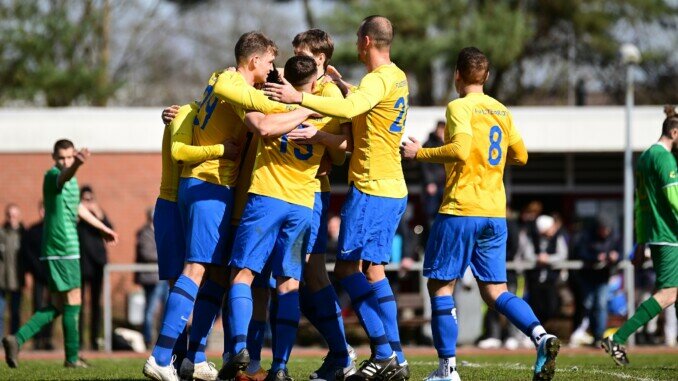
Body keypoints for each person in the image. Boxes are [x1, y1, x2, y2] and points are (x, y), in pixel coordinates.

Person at [145, 31, 312, 381]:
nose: (272, 69)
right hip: (209, 184)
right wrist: (303, 103)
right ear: (253, 61)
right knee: (195, 270)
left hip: (209, 187)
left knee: (212, 272)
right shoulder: (232, 84)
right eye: (269, 62)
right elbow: (263, 118)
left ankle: (194, 357)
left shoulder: (223, 82)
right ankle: (161, 358)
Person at [401, 47, 560, 381]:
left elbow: (458, 149)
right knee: (497, 291)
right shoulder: (501, 110)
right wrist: (493, 162)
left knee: (441, 289)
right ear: (485, 76)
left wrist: (420, 153)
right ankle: (541, 336)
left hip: (460, 209)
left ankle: (448, 371)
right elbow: (521, 156)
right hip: (494, 213)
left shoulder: (459, 106)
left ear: (457, 75)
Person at [266, 16, 411, 381]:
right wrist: (342, 87)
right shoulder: (396, 77)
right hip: (388, 186)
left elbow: (347, 124)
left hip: (371, 187)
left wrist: (299, 99)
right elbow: (364, 107)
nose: (297, 66)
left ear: (364, 41)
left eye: (305, 58)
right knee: (368, 270)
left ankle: (379, 352)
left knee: (343, 270)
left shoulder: (372, 81)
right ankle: (392, 355)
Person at [223, 55, 347, 381]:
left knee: (243, 276)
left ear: (286, 80)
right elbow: (339, 153)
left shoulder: (270, 103)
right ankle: (280, 367)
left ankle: (239, 350)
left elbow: (262, 128)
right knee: (288, 284)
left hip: (267, 200)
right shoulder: (326, 113)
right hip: (303, 206)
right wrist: (316, 122)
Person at [2, 139, 118, 368]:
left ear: (72, 153)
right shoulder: (52, 175)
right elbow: (63, 176)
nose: (65, 161)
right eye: (61, 158)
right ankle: (72, 358)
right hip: (63, 249)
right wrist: (76, 164)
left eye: (68, 157)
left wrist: (102, 228)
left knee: (57, 304)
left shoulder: (72, 181)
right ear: (54, 158)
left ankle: (17, 339)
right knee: (74, 300)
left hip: (60, 250)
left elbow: (77, 208)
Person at [601, 106, 678, 365]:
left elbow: (641, 206)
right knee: (668, 293)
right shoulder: (665, 159)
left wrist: (640, 241)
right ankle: (618, 338)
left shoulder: (645, 157)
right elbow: (673, 200)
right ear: (674, 132)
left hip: (656, 235)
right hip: (669, 236)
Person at [77, 185, 113, 350]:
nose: (88, 202)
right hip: (81, 265)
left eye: (90, 199)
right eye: (85, 199)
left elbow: (110, 230)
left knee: (96, 305)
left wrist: (97, 212)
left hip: (97, 264)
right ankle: (78, 340)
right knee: (79, 304)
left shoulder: (98, 215)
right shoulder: (77, 217)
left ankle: (94, 339)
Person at [576, 215, 620, 346]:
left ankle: (599, 336)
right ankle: (592, 333)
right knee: (588, 304)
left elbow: (621, 252)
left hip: (603, 277)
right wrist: (595, 257)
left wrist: (615, 257)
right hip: (588, 276)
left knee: (601, 305)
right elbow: (580, 252)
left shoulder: (613, 237)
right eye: (603, 229)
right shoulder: (587, 236)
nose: (605, 232)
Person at [522, 215, 568, 326]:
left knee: (551, 307)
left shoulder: (558, 237)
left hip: (551, 279)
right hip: (534, 279)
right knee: (535, 307)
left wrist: (548, 259)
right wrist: (538, 258)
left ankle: (542, 329)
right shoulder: (531, 237)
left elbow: (562, 255)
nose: (554, 229)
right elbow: (527, 254)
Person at [20, 201, 54, 350]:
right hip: (38, 275)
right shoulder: (32, 231)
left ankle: (48, 338)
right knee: (38, 306)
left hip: (53, 275)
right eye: (42, 210)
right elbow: (27, 253)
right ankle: (37, 339)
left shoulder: (56, 230)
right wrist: (33, 270)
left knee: (53, 307)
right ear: (39, 211)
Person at [135, 207, 169, 346]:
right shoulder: (144, 233)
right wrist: (164, 255)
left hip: (164, 277)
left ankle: (164, 338)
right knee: (150, 310)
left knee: (167, 309)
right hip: (151, 278)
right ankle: (148, 338)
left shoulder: (163, 231)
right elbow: (147, 253)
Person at [0, 204, 25, 336]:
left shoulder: (23, 234)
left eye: (14, 215)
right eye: (9, 215)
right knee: (0, 313)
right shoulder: (1, 233)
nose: (12, 218)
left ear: (18, 216)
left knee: (15, 313)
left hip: (17, 280)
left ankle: (14, 341)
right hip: (2, 281)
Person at [421, 121, 447, 223]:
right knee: (431, 213)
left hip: (444, 183)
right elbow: (424, 166)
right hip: (434, 184)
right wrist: (429, 182)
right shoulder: (429, 144)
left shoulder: (447, 144)